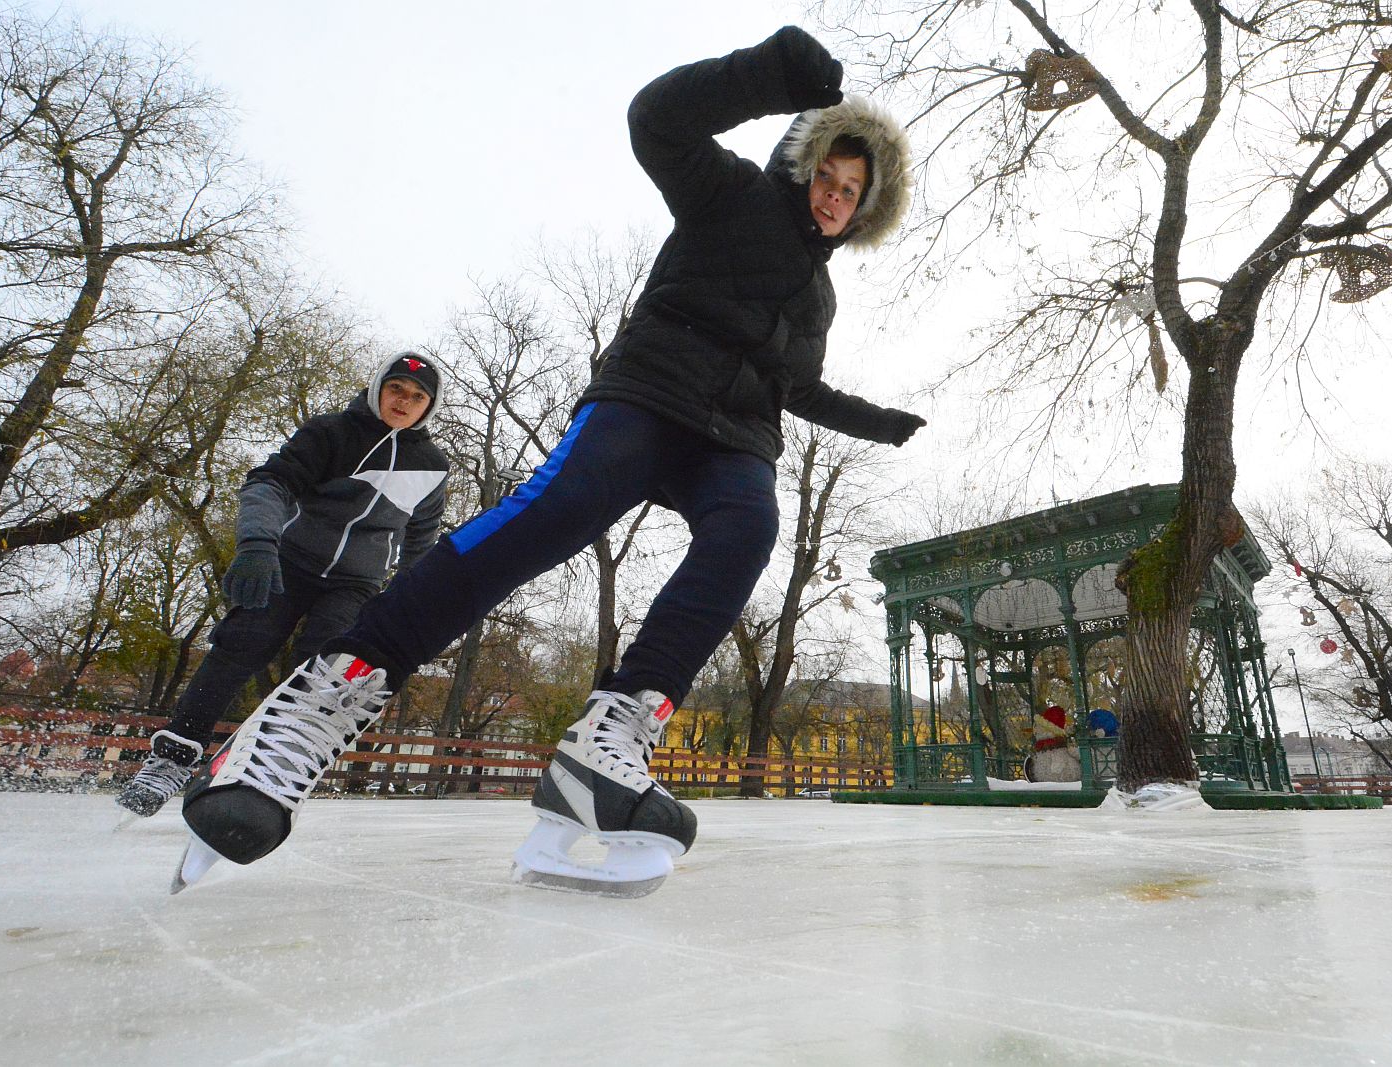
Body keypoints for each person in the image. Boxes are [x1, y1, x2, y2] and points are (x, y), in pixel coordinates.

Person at [174, 25, 923, 897]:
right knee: (559, 509)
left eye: (850, 194)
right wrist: (766, 74)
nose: (833, 199)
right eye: (827, 178)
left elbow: (798, 384)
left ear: (863, 212)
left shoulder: (821, 293)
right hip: (649, 395)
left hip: (737, 439)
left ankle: (609, 742)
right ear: (803, 167)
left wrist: (870, 421)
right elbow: (659, 118)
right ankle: (319, 699)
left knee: (749, 528)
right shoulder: (729, 194)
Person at [116, 353, 449, 818]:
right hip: (290, 562)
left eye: (417, 396)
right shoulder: (331, 432)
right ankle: (169, 760)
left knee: (323, 671)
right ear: (378, 388)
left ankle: (264, 770)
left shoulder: (432, 465)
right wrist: (256, 545)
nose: (404, 401)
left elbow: (421, 538)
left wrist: (417, 603)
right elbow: (270, 483)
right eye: (396, 388)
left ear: (429, 407)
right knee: (241, 645)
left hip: (357, 581)